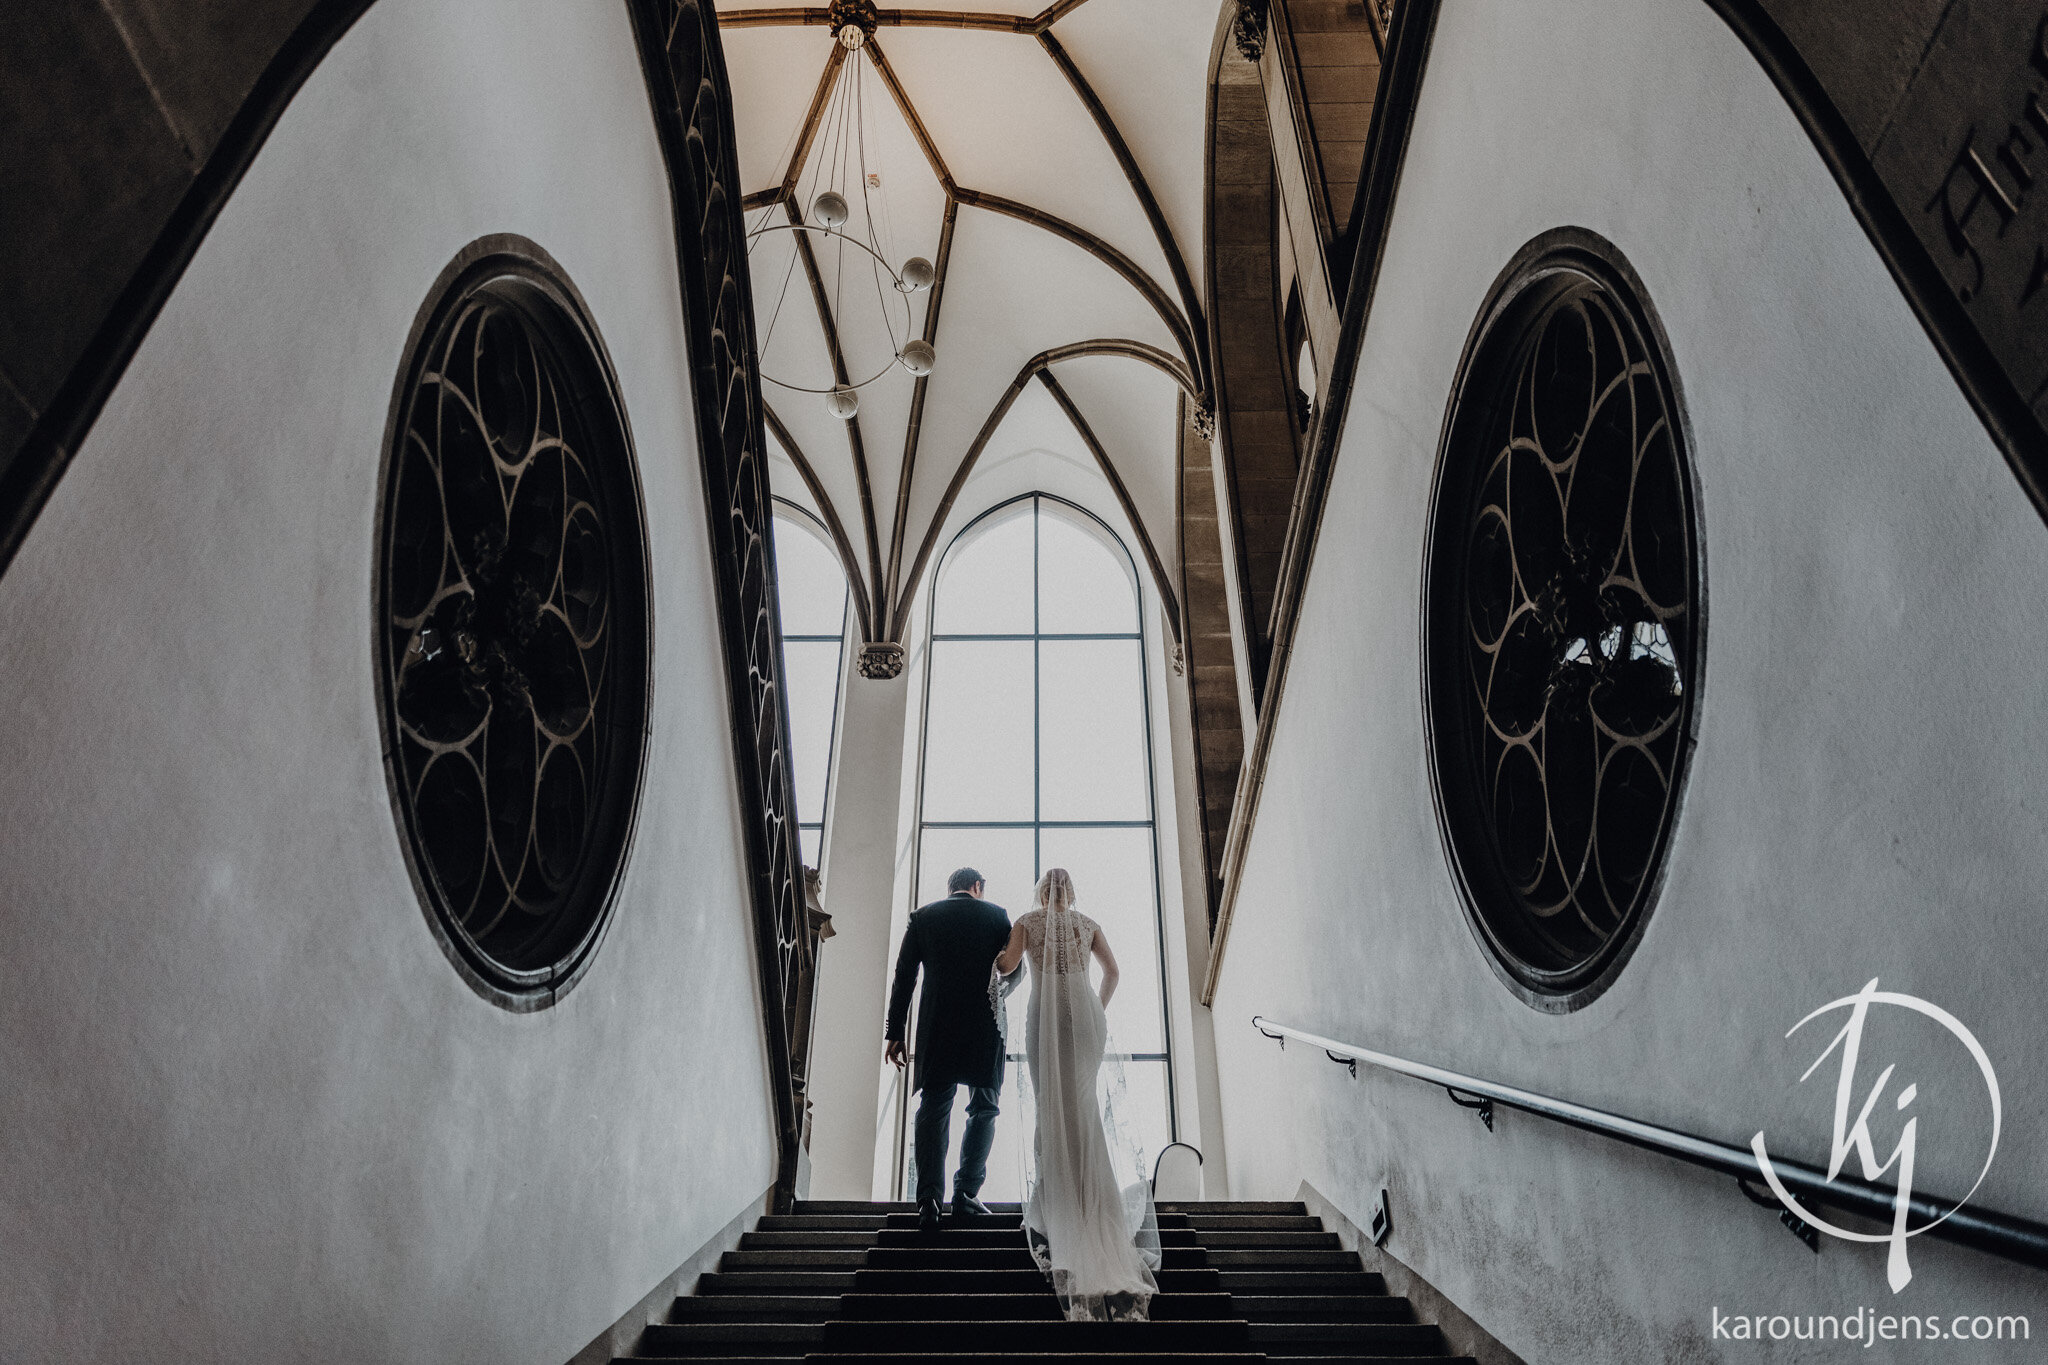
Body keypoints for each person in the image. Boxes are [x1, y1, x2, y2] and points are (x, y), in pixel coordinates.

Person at [993, 867, 1161, 1322]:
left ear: (1042, 892)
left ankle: (1059, 1206)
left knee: (1054, 1108)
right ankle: (1093, 1210)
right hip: (1086, 1022)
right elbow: (1113, 972)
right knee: (1083, 1111)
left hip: (1046, 1020)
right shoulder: (1088, 925)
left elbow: (1006, 966)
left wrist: (991, 950)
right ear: (1070, 892)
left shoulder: (1027, 922)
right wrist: (1095, 1009)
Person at [885, 867, 1017, 1231]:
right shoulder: (997, 916)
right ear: (977, 887)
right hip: (984, 1026)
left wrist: (895, 1030)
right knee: (984, 1107)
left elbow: (904, 975)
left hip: (937, 1027)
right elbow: (1014, 968)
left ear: (950, 888)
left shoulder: (923, 917)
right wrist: (1002, 994)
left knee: (934, 1108)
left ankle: (928, 1200)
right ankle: (966, 1195)